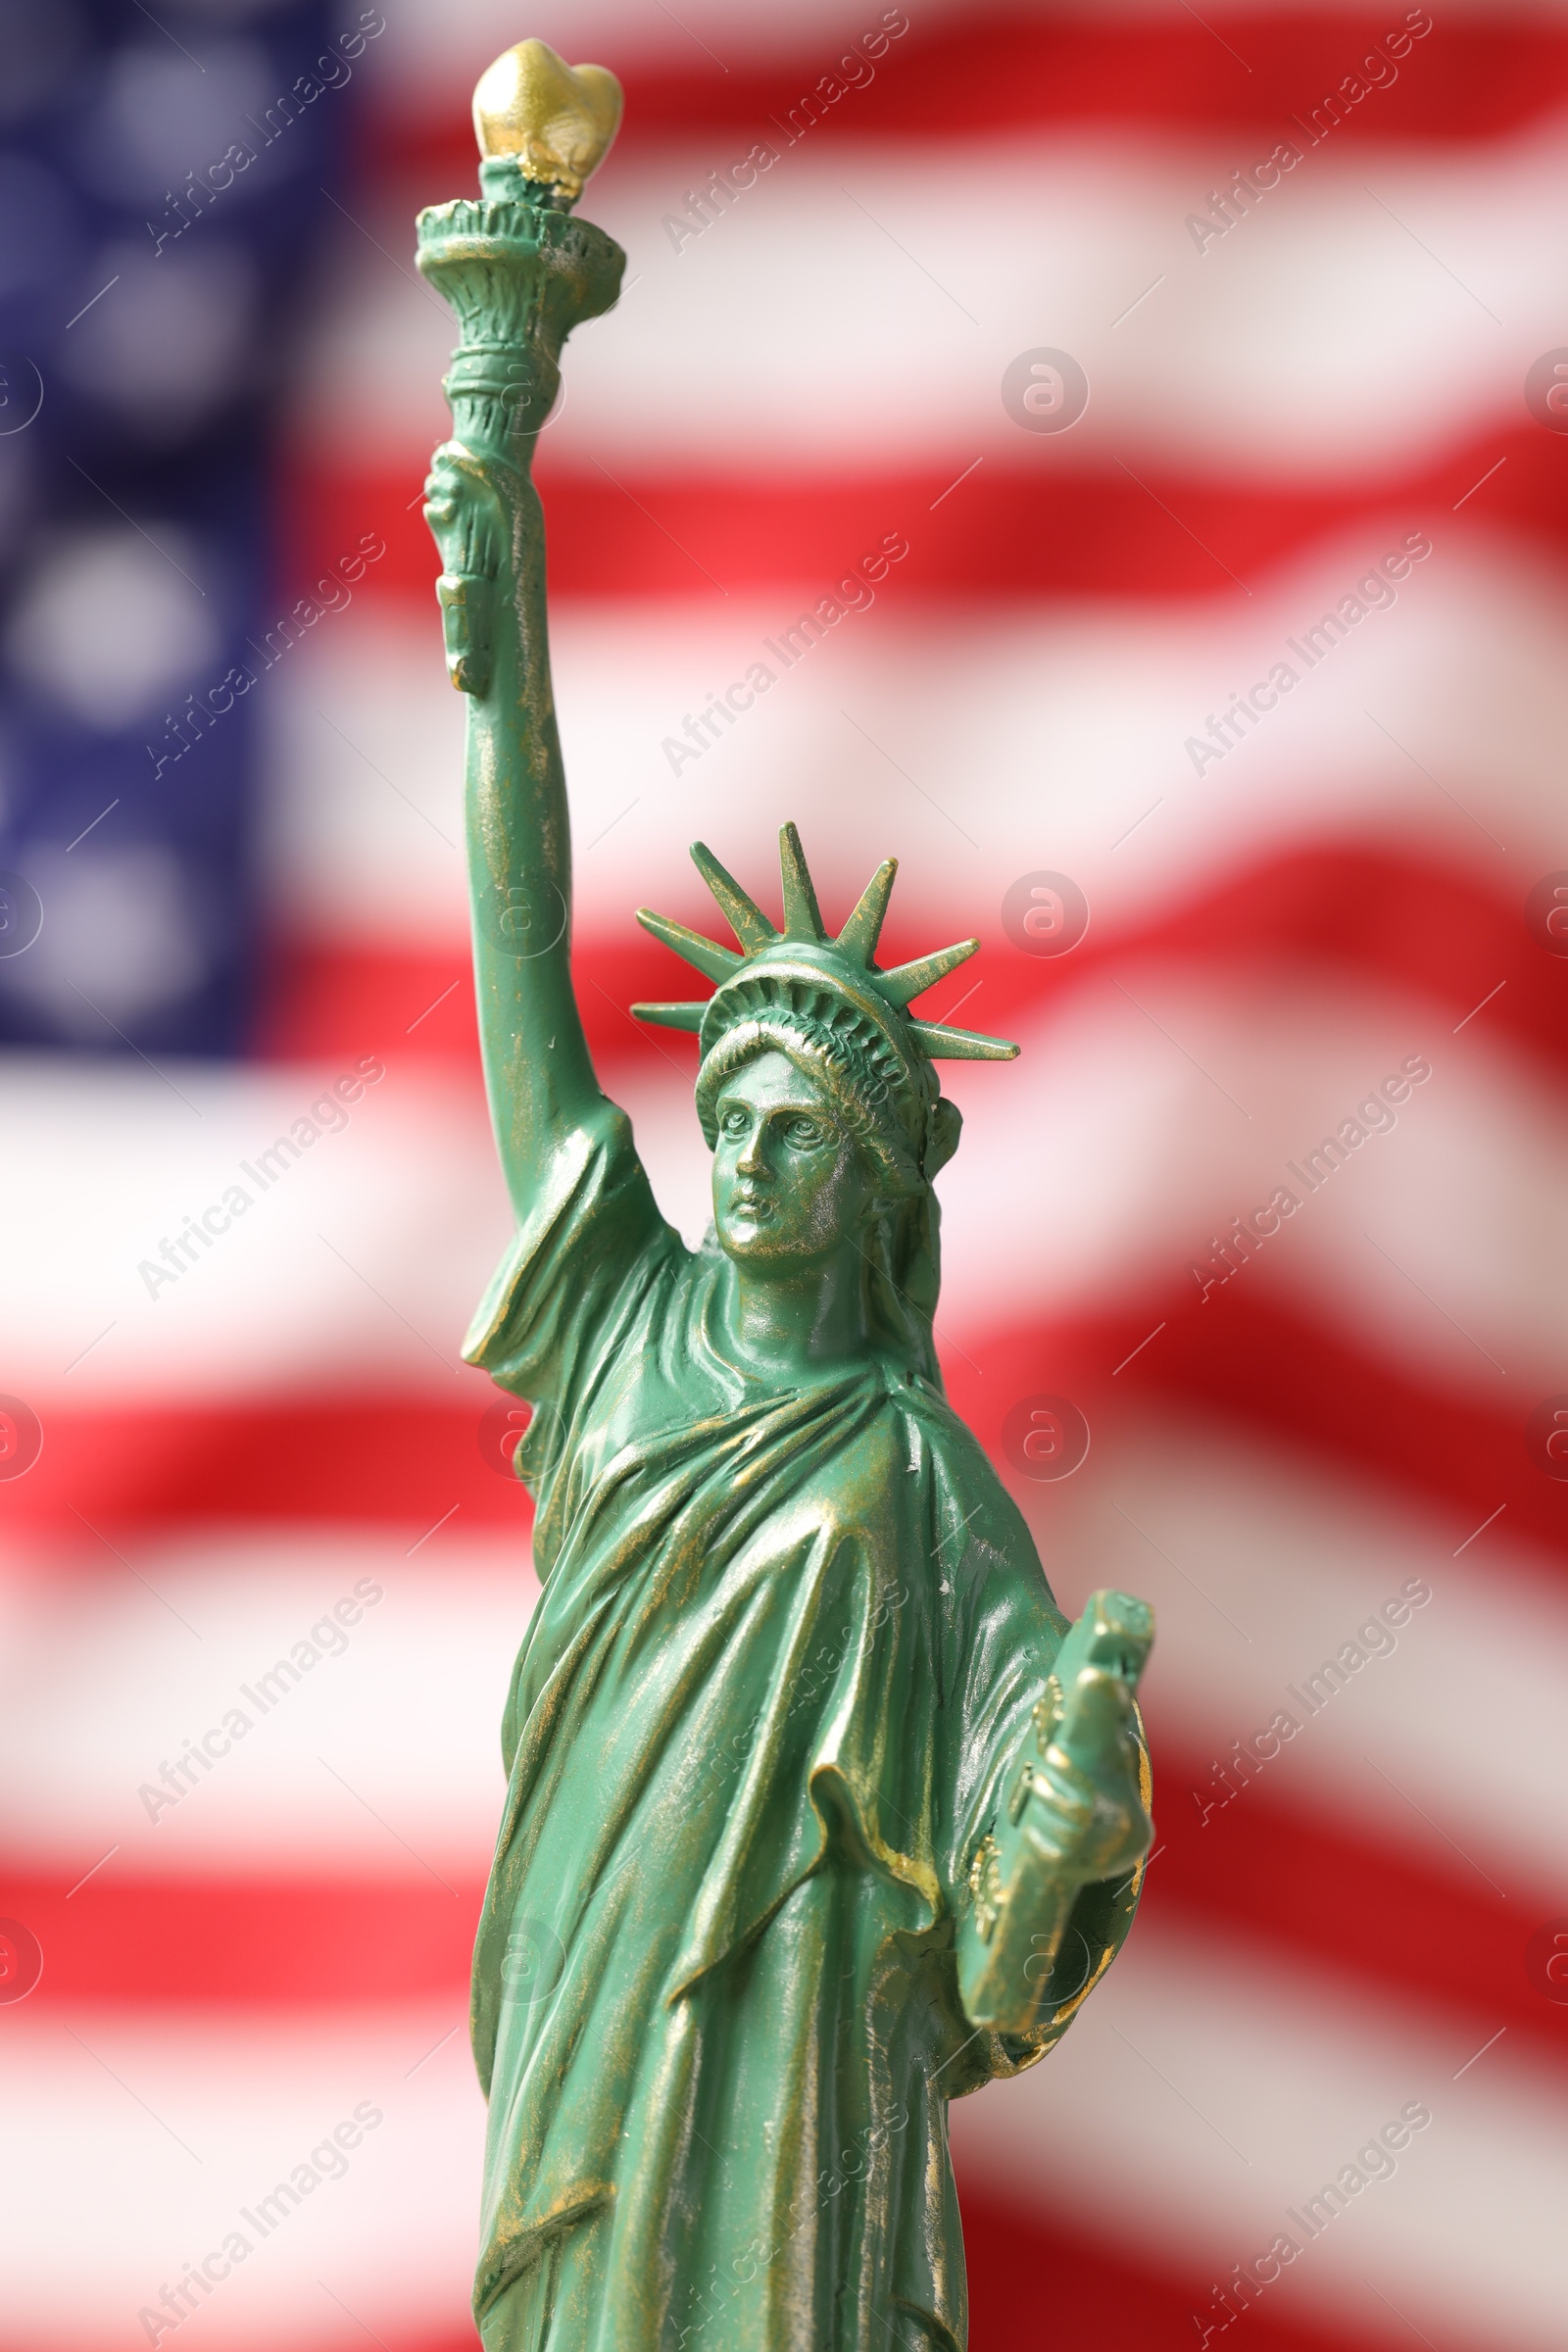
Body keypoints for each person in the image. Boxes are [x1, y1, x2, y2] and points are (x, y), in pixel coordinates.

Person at [422, 426, 1152, 2352]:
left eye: (793, 1132)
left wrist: (1069, 1809)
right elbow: (518, 964)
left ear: (871, 1191)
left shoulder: (917, 1477)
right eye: (722, 1114)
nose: (740, 1158)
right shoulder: (613, 1328)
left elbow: (1015, 1809)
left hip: (810, 2043)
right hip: (594, 1963)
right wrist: (503, 667)